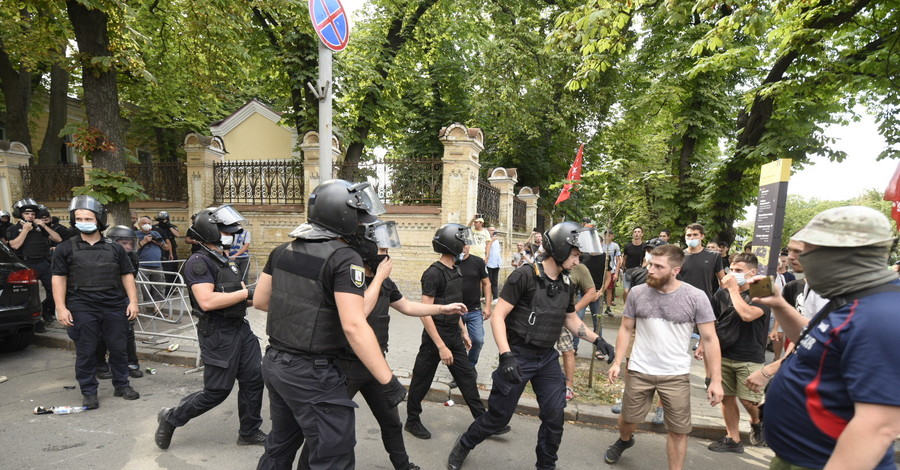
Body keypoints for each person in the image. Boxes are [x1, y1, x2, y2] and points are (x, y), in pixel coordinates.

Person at [253, 180, 407, 469]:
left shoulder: (282, 250)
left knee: (280, 446)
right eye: (361, 217)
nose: (366, 225)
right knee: (334, 456)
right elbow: (355, 324)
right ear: (342, 216)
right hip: (313, 374)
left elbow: (261, 301)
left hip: (275, 363)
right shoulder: (344, 257)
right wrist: (388, 381)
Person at [297, 221, 466, 470]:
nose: (387, 257)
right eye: (383, 252)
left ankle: (403, 464)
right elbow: (359, 313)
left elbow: (407, 306)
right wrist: (378, 280)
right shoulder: (348, 278)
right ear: (365, 249)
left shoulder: (384, 281)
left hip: (374, 364)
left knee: (391, 421)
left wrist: (442, 308)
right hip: (344, 366)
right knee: (325, 428)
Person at [447, 221, 615, 470]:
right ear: (559, 249)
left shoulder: (567, 284)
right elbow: (499, 316)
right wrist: (506, 356)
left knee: (554, 416)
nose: (578, 261)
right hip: (518, 356)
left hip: (546, 358)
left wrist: (597, 340)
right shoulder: (524, 276)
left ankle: (546, 466)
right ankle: (464, 444)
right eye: (576, 255)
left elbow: (569, 318)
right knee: (498, 417)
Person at [749, 206, 900, 470]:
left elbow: (878, 427)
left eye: (808, 252)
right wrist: (778, 304)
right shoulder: (851, 299)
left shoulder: (883, 316)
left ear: (843, 255)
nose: (800, 261)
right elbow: (813, 343)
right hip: (798, 457)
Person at [154, 205, 266, 450]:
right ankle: (171, 417)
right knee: (217, 390)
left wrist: (263, 298)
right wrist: (246, 292)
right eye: (225, 230)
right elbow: (207, 301)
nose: (231, 234)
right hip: (217, 332)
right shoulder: (199, 262)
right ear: (211, 231)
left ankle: (249, 431)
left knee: (254, 380)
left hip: (239, 328)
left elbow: (236, 295)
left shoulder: (224, 258)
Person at [603, 244, 724, 469]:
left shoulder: (696, 297)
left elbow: (710, 339)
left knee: (679, 430)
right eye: (650, 263)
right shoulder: (638, 293)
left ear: (675, 270)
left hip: (675, 374)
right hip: (640, 370)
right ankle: (625, 440)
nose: (650, 269)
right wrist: (618, 362)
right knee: (628, 420)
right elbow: (626, 328)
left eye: (658, 266)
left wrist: (715, 380)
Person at [405, 224, 504, 440]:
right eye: (462, 240)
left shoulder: (456, 270)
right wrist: (441, 346)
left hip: (453, 334)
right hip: (435, 338)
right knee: (422, 380)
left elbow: (454, 306)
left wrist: (463, 332)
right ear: (453, 244)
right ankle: (412, 421)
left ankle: (483, 421)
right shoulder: (433, 273)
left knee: (467, 377)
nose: (466, 244)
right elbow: (424, 312)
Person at [51, 195, 140, 410]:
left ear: (99, 220)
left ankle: (122, 385)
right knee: (87, 351)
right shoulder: (66, 248)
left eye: (89, 218)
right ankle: (89, 392)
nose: (84, 221)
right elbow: (58, 278)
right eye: (79, 218)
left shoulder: (115, 248)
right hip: (82, 306)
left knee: (119, 349)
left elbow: (127, 275)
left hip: (113, 305)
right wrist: (61, 308)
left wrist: (133, 302)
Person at [703, 253, 770, 453]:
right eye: (732, 269)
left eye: (739, 271)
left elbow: (748, 315)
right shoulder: (721, 293)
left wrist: (733, 290)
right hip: (724, 354)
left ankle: (758, 421)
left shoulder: (762, 291)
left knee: (748, 400)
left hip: (749, 356)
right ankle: (733, 439)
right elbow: (712, 321)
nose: (733, 274)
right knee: (727, 397)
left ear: (752, 273)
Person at [95, 226, 144, 380]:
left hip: (123, 298)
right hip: (104, 298)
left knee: (128, 332)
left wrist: (132, 302)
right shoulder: (103, 255)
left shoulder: (133, 258)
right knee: (101, 334)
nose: (128, 247)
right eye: (124, 243)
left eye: (130, 243)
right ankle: (100, 364)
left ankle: (131, 362)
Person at [8, 198, 62, 332]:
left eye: (32, 214)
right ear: (20, 214)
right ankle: (36, 323)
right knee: (32, 295)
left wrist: (44, 226)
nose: (30, 216)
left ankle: (45, 309)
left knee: (56, 289)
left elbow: (58, 239)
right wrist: (25, 230)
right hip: (26, 264)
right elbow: (14, 245)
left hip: (43, 262)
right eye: (27, 214)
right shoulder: (13, 228)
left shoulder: (39, 228)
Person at [556, 260, 601, 400]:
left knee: (568, 350)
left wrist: (574, 309)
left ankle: (568, 386)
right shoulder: (548, 263)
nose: (575, 258)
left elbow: (591, 292)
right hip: (543, 316)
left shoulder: (579, 268)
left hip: (565, 318)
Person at [457, 243, 492, 369]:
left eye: (466, 245)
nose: (463, 247)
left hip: (474, 310)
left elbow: (487, 284)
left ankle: (470, 366)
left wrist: (487, 306)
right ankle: (460, 370)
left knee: (477, 340)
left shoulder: (477, 262)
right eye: (461, 245)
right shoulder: (451, 262)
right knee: (457, 342)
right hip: (455, 311)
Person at [135, 216, 167, 304]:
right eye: (144, 223)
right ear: (139, 225)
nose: (147, 225)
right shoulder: (136, 234)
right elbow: (133, 249)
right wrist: (144, 241)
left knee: (159, 288)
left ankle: (157, 310)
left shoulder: (156, 233)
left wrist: (159, 243)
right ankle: (144, 306)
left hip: (157, 265)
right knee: (144, 288)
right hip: (142, 266)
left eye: (149, 223)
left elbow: (166, 247)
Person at [619, 227, 646, 303]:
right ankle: (626, 308)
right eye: (635, 232)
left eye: (638, 232)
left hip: (639, 271)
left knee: (637, 292)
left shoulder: (644, 246)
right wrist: (623, 267)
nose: (637, 233)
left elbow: (645, 259)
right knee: (626, 291)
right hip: (628, 271)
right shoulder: (628, 246)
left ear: (642, 234)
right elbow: (625, 258)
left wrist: (643, 270)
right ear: (633, 234)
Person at [602, 230, 622, 316]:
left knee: (609, 289)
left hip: (611, 270)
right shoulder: (601, 245)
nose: (608, 237)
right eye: (606, 235)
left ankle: (608, 307)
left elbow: (618, 260)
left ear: (612, 236)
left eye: (610, 235)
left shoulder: (615, 246)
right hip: (600, 270)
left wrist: (616, 273)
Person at [484, 226, 501, 300]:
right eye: (491, 230)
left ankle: (495, 298)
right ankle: (486, 297)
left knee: (495, 281)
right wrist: (491, 241)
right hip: (489, 264)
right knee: (487, 282)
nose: (493, 232)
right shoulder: (486, 240)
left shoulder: (496, 240)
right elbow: (485, 249)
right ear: (487, 231)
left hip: (496, 264)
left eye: (494, 230)